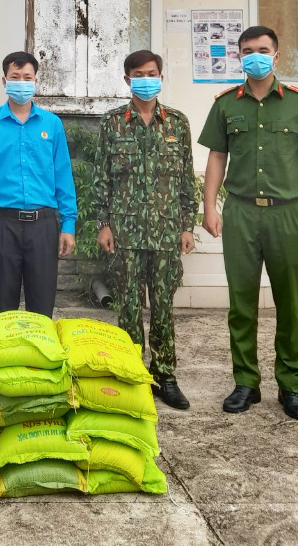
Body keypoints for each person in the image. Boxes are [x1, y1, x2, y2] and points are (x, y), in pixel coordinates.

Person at [198, 25, 298, 421]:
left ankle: (290, 386)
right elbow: (216, 158)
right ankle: (246, 382)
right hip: (240, 211)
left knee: (290, 302)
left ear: (276, 56)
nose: (254, 56)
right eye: (247, 51)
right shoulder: (226, 105)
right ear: (239, 57)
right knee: (241, 303)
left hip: (286, 213)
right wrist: (210, 206)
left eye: (262, 50)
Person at [92, 50, 197, 410]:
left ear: (161, 77)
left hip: (167, 232)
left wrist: (187, 226)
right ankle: (133, 374)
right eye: (138, 74)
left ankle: (166, 376)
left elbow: (186, 179)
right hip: (125, 233)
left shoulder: (178, 123)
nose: (145, 79)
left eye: (152, 73)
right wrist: (103, 224)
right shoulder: (112, 124)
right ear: (127, 80)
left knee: (164, 305)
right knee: (129, 308)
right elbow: (101, 178)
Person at [0, 51, 77, 317]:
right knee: (2, 307)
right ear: (4, 81)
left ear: (36, 81)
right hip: (1, 225)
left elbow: (63, 176)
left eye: (27, 77)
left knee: (42, 307)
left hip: (43, 225)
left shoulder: (52, 124)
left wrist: (68, 224)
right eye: (15, 77)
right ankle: (2, 358)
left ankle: (38, 359)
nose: (22, 82)